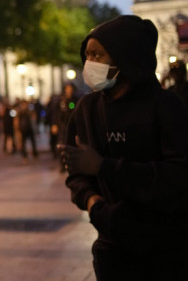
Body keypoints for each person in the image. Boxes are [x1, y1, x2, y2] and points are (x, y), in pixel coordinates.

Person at [61, 15, 188, 280]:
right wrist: (93, 203)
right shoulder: (87, 109)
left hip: (168, 246)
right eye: (87, 55)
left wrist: (103, 167)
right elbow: (75, 171)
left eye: (98, 54)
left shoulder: (167, 107)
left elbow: (178, 176)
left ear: (126, 57)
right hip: (112, 247)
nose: (89, 63)